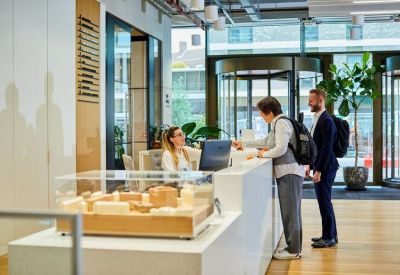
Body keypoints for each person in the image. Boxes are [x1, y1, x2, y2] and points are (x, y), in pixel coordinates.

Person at [233, 96, 304, 260]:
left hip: (289, 172)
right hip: (287, 172)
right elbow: (266, 141)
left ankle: (293, 250)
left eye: (261, 113)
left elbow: (280, 149)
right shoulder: (277, 123)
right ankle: (293, 247)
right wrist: (244, 143)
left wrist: (261, 154)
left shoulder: (282, 123)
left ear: (269, 112)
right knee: (291, 212)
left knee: (290, 213)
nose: (261, 117)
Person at [306, 88, 339, 248]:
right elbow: (316, 147)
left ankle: (329, 238)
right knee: (325, 202)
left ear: (320, 101)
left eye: (311, 100)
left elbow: (326, 148)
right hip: (322, 166)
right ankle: (330, 235)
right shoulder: (318, 118)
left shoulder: (326, 120)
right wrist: (310, 166)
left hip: (326, 167)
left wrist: (318, 170)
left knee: (324, 202)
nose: (309, 103)